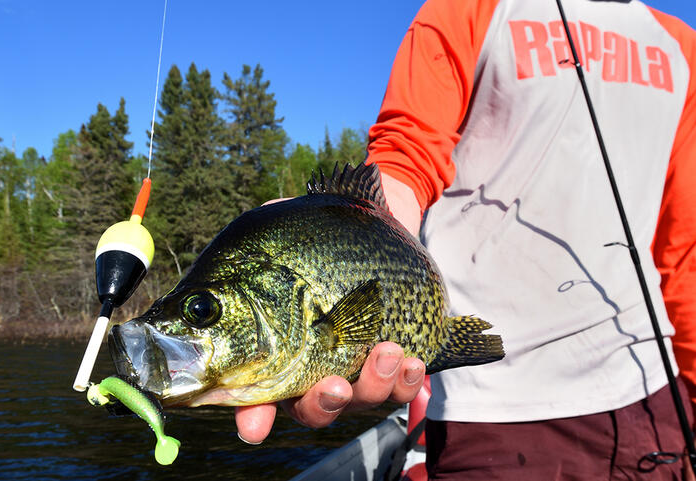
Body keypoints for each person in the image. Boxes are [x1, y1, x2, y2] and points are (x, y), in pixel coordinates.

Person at [238, 0, 696, 479]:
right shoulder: (469, 8)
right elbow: (408, 154)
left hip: (651, 397)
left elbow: (684, 253)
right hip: (488, 407)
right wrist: (337, 233)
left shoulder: (683, 46)